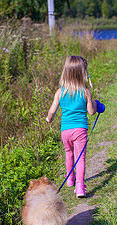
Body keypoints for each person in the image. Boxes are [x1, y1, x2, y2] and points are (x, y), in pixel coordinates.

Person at [46, 55, 97, 198]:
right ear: (82, 73)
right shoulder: (86, 92)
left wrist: (48, 119)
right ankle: (80, 187)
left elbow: (52, 111)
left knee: (69, 153)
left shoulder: (60, 92)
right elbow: (91, 112)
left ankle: (70, 179)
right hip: (80, 130)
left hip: (65, 131)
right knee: (80, 158)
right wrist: (95, 104)